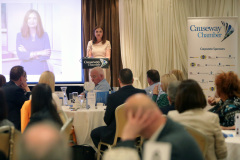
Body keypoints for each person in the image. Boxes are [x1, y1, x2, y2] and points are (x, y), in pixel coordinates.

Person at [103, 94, 203, 160]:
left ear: (141, 118)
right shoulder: (166, 130)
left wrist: (127, 139)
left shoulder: (165, 145)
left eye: (129, 120)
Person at [168, 79, 227, 160]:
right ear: (200, 96)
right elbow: (222, 153)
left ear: (179, 98)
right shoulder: (212, 118)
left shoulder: (171, 117)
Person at [91, 68, 146, 148]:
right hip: (137, 133)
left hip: (117, 134)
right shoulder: (142, 93)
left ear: (119, 80)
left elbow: (107, 120)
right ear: (133, 80)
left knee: (94, 133)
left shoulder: (113, 97)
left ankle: (107, 155)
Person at [16, 9, 51, 75]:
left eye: (34, 18)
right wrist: (40, 53)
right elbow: (21, 56)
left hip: (42, 69)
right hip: (26, 69)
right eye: (29, 18)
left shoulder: (45, 35)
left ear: (38, 21)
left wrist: (27, 52)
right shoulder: (19, 35)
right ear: (26, 20)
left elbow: (47, 55)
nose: (32, 21)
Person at [2, 66, 31, 130]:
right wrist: (27, 89)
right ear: (21, 78)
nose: (26, 80)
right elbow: (27, 105)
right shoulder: (17, 90)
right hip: (14, 126)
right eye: (25, 77)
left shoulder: (4, 86)